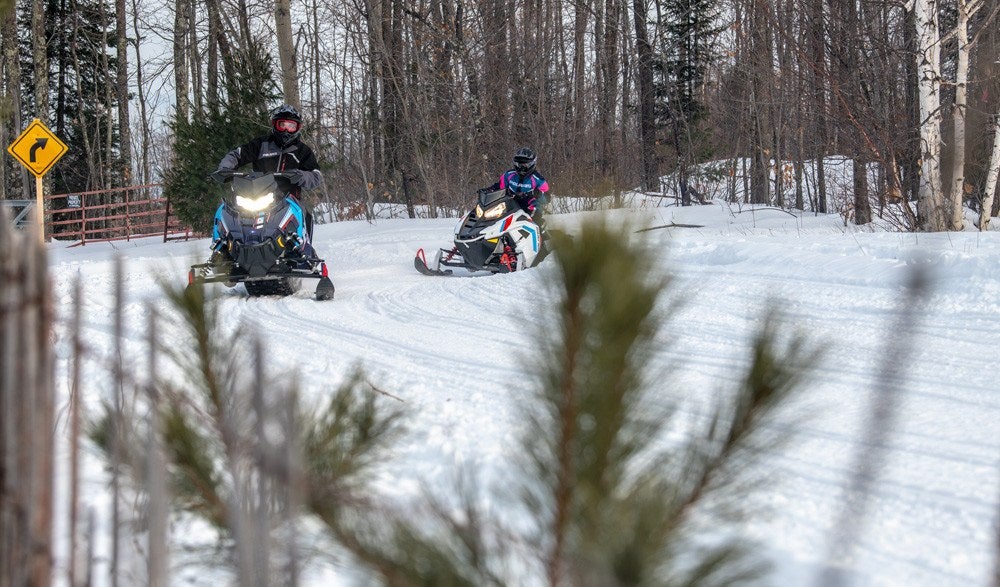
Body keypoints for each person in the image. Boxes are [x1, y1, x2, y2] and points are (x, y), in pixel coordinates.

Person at [211, 103, 323, 257]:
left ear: (297, 128)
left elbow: (316, 175)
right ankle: (224, 250)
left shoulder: (303, 151)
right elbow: (237, 154)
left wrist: (301, 176)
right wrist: (225, 169)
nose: (286, 129)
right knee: (228, 209)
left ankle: (303, 250)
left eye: (291, 126)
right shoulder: (261, 145)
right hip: (258, 195)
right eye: (282, 124)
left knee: (304, 214)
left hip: (288, 199)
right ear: (274, 124)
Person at [479, 147, 550, 223]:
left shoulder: (538, 180)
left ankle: (540, 232)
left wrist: (539, 194)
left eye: (525, 165)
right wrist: (488, 190)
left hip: (531, 208)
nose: (522, 168)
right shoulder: (509, 175)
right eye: (518, 165)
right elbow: (499, 186)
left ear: (532, 164)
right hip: (510, 206)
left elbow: (547, 198)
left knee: (535, 222)